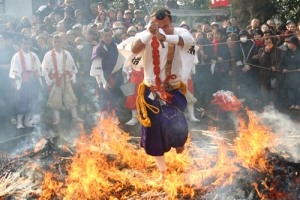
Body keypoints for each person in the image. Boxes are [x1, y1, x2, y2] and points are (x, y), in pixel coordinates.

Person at [128, 8, 195, 180]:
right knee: (153, 132)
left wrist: (165, 37)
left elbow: (188, 41)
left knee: (176, 125)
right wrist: (149, 34)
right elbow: (134, 50)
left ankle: (179, 144)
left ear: (171, 23)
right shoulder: (146, 35)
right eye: (158, 26)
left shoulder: (180, 32)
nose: (161, 29)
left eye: (165, 25)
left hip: (172, 90)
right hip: (151, 91)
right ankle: (163, 172)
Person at [42, 35, 83, 124]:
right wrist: (48, 80)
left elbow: (72, 66)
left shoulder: (67, 53)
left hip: (66, 77)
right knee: (55, 99)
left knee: (71, 97)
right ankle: (57, 119)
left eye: (58, 41)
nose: (57, 43)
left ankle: (75, 116)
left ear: (61, 42)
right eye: (55, 42)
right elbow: (45, 70)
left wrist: (73, 76)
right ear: (53, 43)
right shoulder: (48, 55)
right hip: (55, 79)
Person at [9, 37, 43, 128]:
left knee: (32, 101)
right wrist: (18, 85)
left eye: (28, 44)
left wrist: (40, 82)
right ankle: (19, 122)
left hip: (33, 80)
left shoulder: (34, 55)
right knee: (22, 101)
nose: (27, 45)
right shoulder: (16, 56)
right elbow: (15, 72)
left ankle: (27, 121)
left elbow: (38, 70)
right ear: (21, 44)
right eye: (25, 44)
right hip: (23, 80)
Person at [90, 28, 125, 115]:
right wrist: (104, 82)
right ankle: (104, 123)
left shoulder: (117, 47)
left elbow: (122, 61)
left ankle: (114, 123)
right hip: (103, 78)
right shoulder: (98, 49)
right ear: (102, 36)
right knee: (104, 103)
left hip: (116, 78)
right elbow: (97, 68)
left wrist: (125, 71)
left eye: (110, 35)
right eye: (106, 36)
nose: (108, 38)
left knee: (116, 102)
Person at [258, 35, 282, 108]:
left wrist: (276, 67)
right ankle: (266, 104)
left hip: (274, 73)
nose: (268, 44)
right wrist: (265, 52)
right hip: (264, 73)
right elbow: (261, 61)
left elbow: (280, 61)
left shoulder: (278, 50)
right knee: (264, 90)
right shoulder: (261, 50)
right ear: (264, 43)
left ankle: (272, 105)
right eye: (266, 42)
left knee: (273, 89)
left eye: (269, 42)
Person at [0, 35, 17, 123]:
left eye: (2, 39)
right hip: (0, 78)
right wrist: (3, 66)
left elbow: (15, 61)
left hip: (9, 77)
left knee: (10, 98)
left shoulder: (10, 49)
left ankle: (11, 116)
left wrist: (14, 79)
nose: (1, 41)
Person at [281, 36, 300, 110]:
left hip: (298, 74)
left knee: (298, 89)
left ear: (294, 44)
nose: (288, 44)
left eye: (289, 43)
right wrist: (283, 68)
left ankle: (298, 104)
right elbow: (282, 63)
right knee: (290, 89)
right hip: (289, 73)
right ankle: (292, 103)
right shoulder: (286, 52)